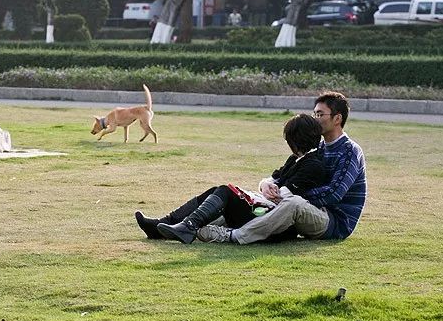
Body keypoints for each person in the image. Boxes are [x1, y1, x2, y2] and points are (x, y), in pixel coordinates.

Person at [194, 91, 367, 244]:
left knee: (293, 203)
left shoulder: (350, 150)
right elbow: (283, 175)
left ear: (337, 118)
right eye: (314, 114)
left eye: (320, 114)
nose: (315, 119)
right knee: (249, 196)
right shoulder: (317, 147)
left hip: (333, 222)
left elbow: (334, 193)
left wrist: (285, 195)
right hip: (309, 209)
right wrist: (266, 184)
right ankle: (195, 226)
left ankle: (235, 236)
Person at [137, 114, 326, 244]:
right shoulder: (296, 159)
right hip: (266, 210)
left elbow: (285, 195)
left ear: (296, 138)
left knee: (226, 191)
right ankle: (166, 224)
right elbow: (272, 179)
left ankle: (187, 226)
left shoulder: (314, 164)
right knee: (216, 190)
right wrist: (266, 184)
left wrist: (270, 188)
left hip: (276, 222)